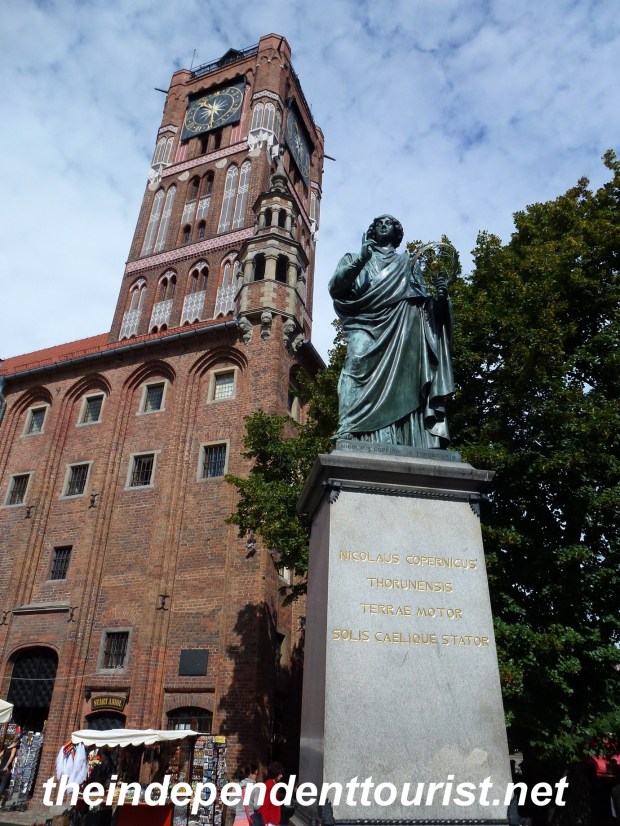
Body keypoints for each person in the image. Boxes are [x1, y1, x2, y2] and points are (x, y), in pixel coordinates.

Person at [329, 214, 455, 447]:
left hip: (404, 327)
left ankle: (405, 437)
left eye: (389, 223)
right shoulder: (356, 258)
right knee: (355, 362)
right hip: (364, 324)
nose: (384, 225)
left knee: (408, 380)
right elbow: (336, 287)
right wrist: (361, 260)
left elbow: (425, 305)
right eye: (379, 223)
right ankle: (349, 427)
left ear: (396, 233)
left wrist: (440, 298)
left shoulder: (407, 264)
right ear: (372, 231)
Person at [260, 762, 284, 826]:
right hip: (269, 821)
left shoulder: (271, 784)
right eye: (280, 774)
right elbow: (266, 804)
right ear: (275, 774)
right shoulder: (270, 785)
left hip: (271, 820)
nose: (281, 776)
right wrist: (265, 822)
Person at [0, 737, 19, 804]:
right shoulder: (14, 749)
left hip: (1, 767)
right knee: (2, 784)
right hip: (6, 769)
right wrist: (6, 766)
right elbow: (11, 758)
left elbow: (0, 755)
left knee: (2, 784)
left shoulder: (6, 748)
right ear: (16, 743)